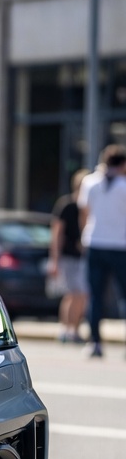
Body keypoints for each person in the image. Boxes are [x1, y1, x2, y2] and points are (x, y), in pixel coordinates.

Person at [78, 145, 126, 358]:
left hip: (95, 243)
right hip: (119, 246)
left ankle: (95, 342)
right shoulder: (124, 185)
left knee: (96, 296)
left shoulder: (90, 182)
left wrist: (83, 237)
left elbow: (84, 213)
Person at [49, 169, 90, 343]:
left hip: (83, 256)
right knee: (73, 293)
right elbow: (57, 233)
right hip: (67, 256)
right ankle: (66, 330)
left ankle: (74, 328)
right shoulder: (66, 205)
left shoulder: (87, 206)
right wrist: (55, 259)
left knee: (82, 295)